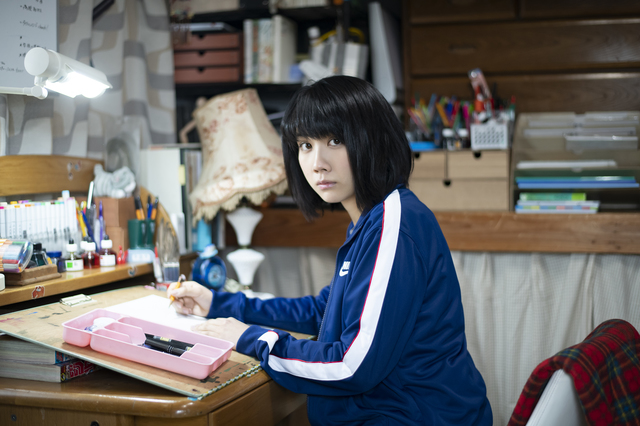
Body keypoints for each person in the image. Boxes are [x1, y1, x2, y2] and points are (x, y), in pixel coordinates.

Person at [168, 75, 493, 425]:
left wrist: (252, 339)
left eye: (335, 140)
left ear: (373, 140)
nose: (317, 163)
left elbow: (352, 366)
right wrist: (219, 304)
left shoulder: (394, 225)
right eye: (305, 145)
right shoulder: (370, 220)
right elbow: (323, 312)